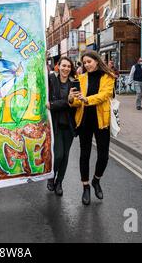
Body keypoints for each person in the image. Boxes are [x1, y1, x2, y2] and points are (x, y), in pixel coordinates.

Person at [69, 51, 115, 205]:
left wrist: (86, 99)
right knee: (85, 155)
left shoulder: (108, 77)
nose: (87, 65)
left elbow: (104, 95)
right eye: (84, 63)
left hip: (101, 121)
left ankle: (96, 180)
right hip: (84, 121)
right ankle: (86, 187)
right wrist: (72, 98)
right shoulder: (80, 79)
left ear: (96, 61)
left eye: (89, 61)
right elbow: (76, 102)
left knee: (104, 156)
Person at [46, 57, 77, 196]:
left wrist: (54, 105)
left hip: (69, 125)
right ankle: (51, 177)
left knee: (65, 156)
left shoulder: (74, 83)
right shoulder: (52, 79)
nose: (66, 68)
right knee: (58, 155)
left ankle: (59, 182)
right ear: (58, 66)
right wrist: (65, 102)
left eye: (69, 66)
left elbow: (74, 103)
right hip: (56, 124)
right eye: (63, 65)